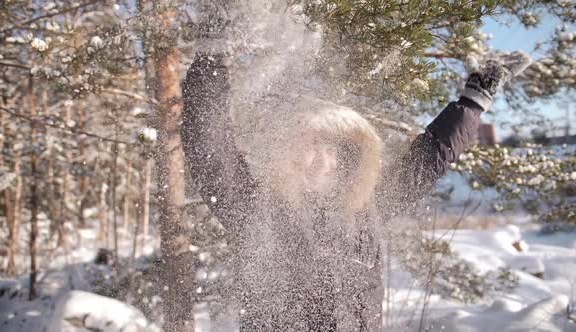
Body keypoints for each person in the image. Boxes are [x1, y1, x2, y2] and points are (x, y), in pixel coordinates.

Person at [181, 51, 532, 331]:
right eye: (308, 145)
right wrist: (210, 57)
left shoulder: (368, 206)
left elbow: (430, 156)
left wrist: (475, 99)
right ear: (285, 153)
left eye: (332, 150)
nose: (320, 160)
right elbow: (210, 151)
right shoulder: (256, 210)